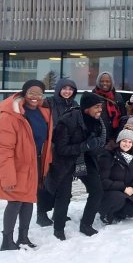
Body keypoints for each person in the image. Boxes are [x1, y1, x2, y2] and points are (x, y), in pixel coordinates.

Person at [0, 80, 53, 250]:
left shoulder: (42, 111)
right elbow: (4, 148)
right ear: (24, 93)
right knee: (15, 201)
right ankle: (7, 241)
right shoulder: (11, 114)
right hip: (17, 165)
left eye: (39, 94)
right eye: (31, 93)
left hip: (34, 162)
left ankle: (23, 237)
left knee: (29, 200)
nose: (35, 97)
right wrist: (7, 176)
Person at [46, 92, 106, 240]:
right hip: (65, 161)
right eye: (97, 107)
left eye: (101, 107)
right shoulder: (67, 120)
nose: (100, 110)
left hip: (85, 159)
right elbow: (60, 148)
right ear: (86, 108)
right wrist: (84, 145)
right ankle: (58, 228)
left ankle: (86, 224)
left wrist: (94, 146)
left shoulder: (98, 121)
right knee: (64, 195)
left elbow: (100, 142)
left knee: (97, 190)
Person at [38, 78, 79, 227]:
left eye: (71, 89)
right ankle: (41, 214)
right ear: (59, 89)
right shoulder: (49, 102)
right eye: (64, 88)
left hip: (67, 150)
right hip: (51, 148)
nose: (67, 91)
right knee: (47, 182)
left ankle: (59, 212)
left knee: (65, 183)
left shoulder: (75, 105)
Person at [98, 129, 133, 224]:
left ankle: (118, 213)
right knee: (119, 198)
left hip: (126, 192)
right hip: (108, 193)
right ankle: (106, 214)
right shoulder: (108, 155)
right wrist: (123, 187)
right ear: (119, 141)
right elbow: (103, 181)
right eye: (124, 141)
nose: (127, 144)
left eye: (130, 142)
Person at [92, 71, 127, 148]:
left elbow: (123, 118)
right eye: (102, 81)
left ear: (111, 83)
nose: (104, 83)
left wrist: (117, 137)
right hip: (97, 137)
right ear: (98, 82)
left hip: (113, 138)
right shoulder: (92, 96)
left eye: (107, 81)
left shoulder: (117, 97)